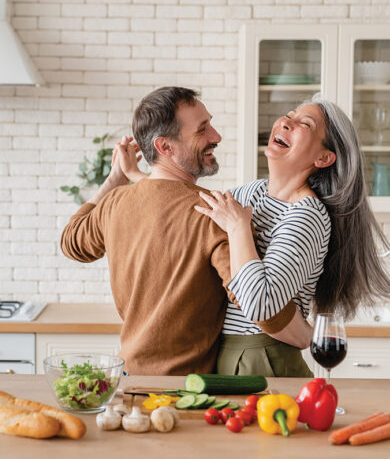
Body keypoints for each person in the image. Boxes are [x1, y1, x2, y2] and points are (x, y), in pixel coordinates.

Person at [122, 95, 390, 376]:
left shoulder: (306, 215)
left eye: (304, 124)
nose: (286, 122)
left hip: (265, 358)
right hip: (225, 355)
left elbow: (261, 305)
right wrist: (136, 174)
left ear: (323, 158)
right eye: (289, 114)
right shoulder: (253, 192)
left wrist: (239, 229)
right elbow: (193, 206)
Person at [61, 86, 280, 375]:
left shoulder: (115, 202)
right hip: (185, 390)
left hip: (128, 378)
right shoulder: (214, 213)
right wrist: (303, 333)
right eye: (202, 130)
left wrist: (114, 179)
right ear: (165, 147)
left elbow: (71, 242)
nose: (216, 136)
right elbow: (257, 304)